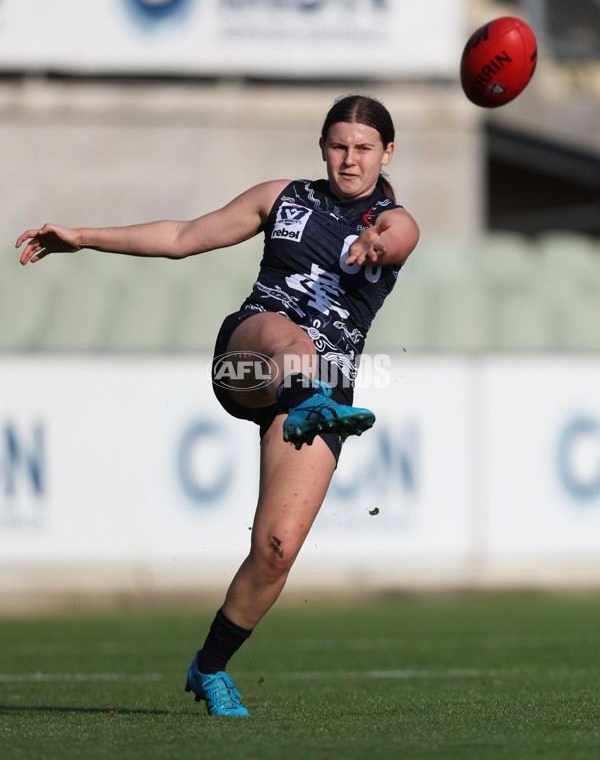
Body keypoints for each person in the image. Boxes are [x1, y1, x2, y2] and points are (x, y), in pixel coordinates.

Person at [16, 94, 419, 717]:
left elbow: (398, 238)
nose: (349, 159)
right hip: (249, 357)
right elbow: (181, 236)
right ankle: (307, 401)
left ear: (386, 153)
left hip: (326, 387)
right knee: (292, 340)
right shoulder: (282, 198)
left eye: (364, 148)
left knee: (276, 550)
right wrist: (84, 238)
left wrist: (377, 245)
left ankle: (209, 668)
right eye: (339, 145)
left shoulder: (395, 220)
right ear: (322, 148)